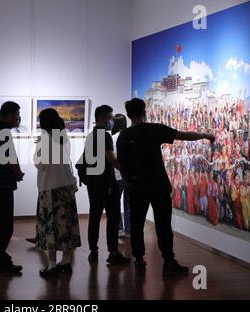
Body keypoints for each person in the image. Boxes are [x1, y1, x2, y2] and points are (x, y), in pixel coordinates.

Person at [117, 98, 215, 276]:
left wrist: (129, 183)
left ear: (129, 114)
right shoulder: (153, 129)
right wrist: (205, 135)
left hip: (137, 187)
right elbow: (183, 136)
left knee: (137, 225)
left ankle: (139, 260)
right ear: (144, 112)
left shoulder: (124, 136)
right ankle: (168, 261)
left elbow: (121, 165)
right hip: (158, 186)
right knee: (163, 225)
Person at [33, 108, 81, 278]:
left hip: (50, 189)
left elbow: (40, 164)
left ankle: (52, 265)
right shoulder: (63, 138)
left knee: (51, 226)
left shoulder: (44, 140)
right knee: (66, 225)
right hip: (66, 188)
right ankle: (66, 261)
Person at [83, 105, 130, 265]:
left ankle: (93, 251)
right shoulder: (105, 136)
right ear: (103, 117)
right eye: (110, 118)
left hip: (93, 183)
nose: (112, 121)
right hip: (107, 183)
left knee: (94, 217)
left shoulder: (90, 136)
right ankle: (113, 252)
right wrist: (124, 169)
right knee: (112, 218)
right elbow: (111, 158)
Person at [0, 101, 25, 274]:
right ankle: (1, 261)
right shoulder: (4, 132)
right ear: (8, 114)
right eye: (16, 114)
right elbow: (10, 158)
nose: (18, 118)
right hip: (2, 184)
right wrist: (19, 173)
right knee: (5, 225)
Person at [112, 114, 131, 238]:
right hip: (128, 174)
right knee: (129, 203)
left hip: (116, 174)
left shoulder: (112, 138)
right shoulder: (129, 137)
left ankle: (119, 228)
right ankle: (129, 229)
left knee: (115, 204)